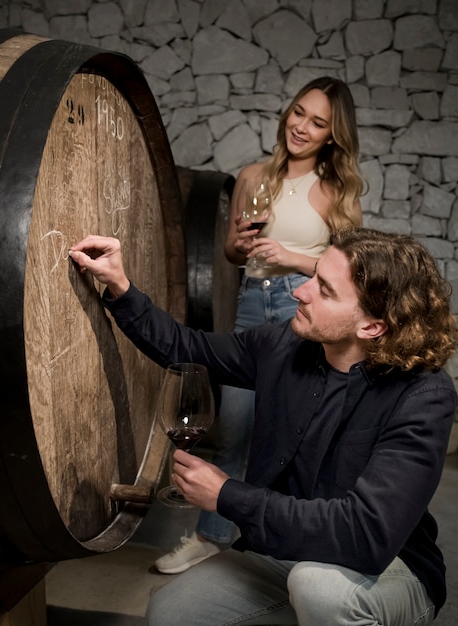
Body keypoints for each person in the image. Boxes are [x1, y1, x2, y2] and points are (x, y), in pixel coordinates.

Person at [69, 227, 457, 625]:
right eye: (314, 276)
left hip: (386, 567)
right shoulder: (283, 346)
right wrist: (119, 284)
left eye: (324, 290)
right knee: (170, 612)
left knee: (319, 590)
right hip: (283, 554)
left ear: (372, 327)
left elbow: (366, 535)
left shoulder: (423, 396)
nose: (299, 292)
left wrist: (227, 496)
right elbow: (188, 348)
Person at [154, 76, 365, 574]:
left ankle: (281, 540)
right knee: (235, 428)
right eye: (298, 113)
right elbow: (231, 250)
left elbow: (354, 272)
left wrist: (291, 256)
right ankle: (211, 537)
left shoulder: (339, 192)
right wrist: (244, 246)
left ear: (332, 135)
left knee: (292, 432)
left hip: (303, 309)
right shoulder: (252, 176)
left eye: (318, 123)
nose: (302, 127)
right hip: (253, 302)